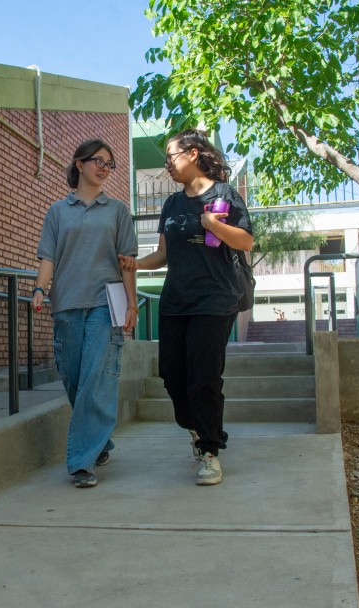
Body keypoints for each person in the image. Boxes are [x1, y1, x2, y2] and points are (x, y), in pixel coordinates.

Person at [120, 129, 252, 486]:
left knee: (204, 378)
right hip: (176, 300)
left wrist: (213, 225)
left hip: (215, 298)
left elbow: (246, 240)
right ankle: (196, 428)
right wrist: (135, 264)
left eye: (171, 157)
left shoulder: (224, 194)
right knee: (172, 375)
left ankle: (210, 451)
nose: (167, 166)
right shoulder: (172, 205)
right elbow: (163, 254)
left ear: (192, 154)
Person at [33, 139, 139, 489]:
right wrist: (39, 288)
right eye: (99, 161)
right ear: (79, 164)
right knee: (74, 377)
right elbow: (48, 257)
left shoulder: (119, 211)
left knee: (97, 377)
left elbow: (127, 264)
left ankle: (81, 462)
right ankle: (100, 441)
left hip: (104, 304)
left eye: (111, 164)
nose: (105, 168)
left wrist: (132, 304)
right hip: (65, 302)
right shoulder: (57, 211)